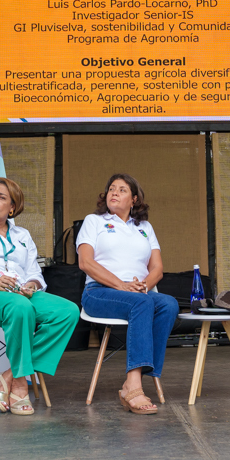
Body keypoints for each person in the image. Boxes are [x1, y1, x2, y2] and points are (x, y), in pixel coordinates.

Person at [0, 178, 78, 415]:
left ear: (13, 207)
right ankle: (19, 383)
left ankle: (6, 376)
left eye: (2, 197)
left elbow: (35, 273)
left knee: (67, 312)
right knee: (20, 306)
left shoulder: (22, 235)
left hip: (16, 294)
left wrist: (31, 284)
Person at [76, 173, 178, 415]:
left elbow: (157, 269)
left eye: (122, 190)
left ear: (134, 199)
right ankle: (133, 386)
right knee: (142, 304)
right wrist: (121, 285)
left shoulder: (144, 227)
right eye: (111, 188)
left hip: (137, 293)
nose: (114, 192)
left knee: (169, 304)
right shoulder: (94, 221)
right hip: (99, 292)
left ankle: (137, 377)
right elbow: (85, 263)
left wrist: (143, 285)